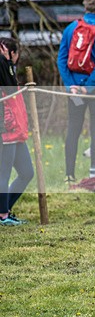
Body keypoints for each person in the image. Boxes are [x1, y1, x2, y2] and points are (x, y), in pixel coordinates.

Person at [57, 0, 95, 189]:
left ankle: (69, 175)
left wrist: (70, 85)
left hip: (74, 89)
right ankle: (94, 173)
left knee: (73, 128)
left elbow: (62, 59)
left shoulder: (71, 28)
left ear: (85, 8)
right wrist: (88, 87)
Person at [0, 38, 34, 225]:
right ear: (11, 53)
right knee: (3, 174)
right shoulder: (4, 68)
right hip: (7, 131)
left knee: (27, 172)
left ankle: (4, 208)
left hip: (17, 133)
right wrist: (6, 62)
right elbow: (10, 88)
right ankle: (2, 215)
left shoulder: (7, 69)